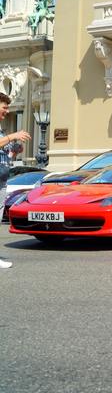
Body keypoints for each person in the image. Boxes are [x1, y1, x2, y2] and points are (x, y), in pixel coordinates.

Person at [0, 93, 31, 268]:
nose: (6, 111)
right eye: (4, 107)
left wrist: (13, 152)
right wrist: (13, 136)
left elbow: (5, 157)